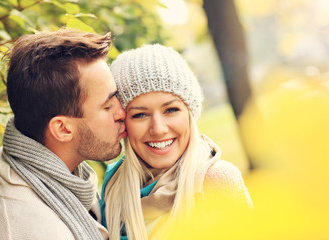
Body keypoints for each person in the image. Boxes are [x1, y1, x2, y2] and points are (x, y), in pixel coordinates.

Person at [0, 29, 126, 240]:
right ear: (63, 129)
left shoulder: (41, 164)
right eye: (108, 106)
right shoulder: (34, 228)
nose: (123, 112)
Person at [100, 44, 253, 240]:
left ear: (189, 113)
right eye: (139, 115)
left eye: (171, 110)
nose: (158, 128)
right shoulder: (113, 188)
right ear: (123, 123)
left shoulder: (216, 181)